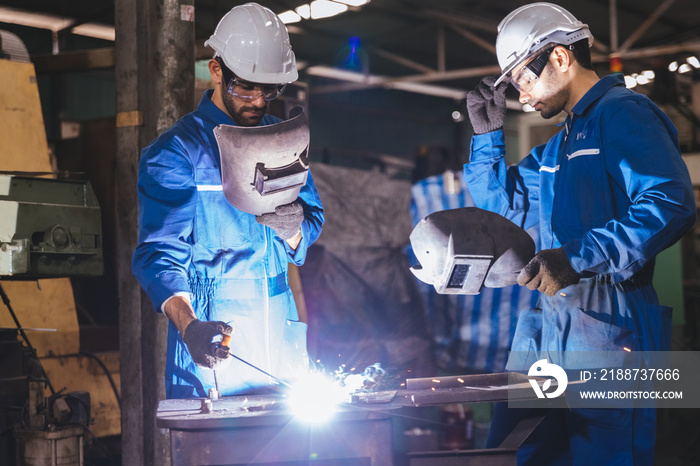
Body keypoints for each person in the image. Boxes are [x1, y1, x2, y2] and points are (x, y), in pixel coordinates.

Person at [463, 2, 695, 465]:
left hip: (612, 326)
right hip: (550, 328)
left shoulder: (624, 115)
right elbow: (501, 211)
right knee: (520, 453)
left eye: (524, 80)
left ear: (560, 57)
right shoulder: (561, 143)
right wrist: (487, 138)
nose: (523, 97)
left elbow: (669, 203)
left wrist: (577, 258)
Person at [132, 2, 324, 399]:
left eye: (269, 89)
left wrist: (294, 231)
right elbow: (159, 256)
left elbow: (311, 224)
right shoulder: (176, 153)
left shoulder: (284, 137)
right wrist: (190, 327)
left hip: (280, 338)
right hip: (213, 341)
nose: (257, 101)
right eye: (245, 87)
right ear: (216, 70)